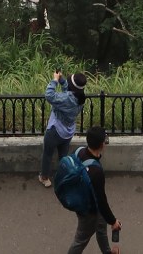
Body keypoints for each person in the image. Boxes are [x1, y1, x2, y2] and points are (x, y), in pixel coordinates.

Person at [65, 125, 122, 254]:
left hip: (81, 200)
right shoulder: (96, 171)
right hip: (89, 211)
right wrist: (113, 221)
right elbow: (101, 201)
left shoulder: (79, 151)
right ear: (102, 145)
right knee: (80, 240)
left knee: (101, 228)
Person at [40, 69, 86, 187]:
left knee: (47, 154)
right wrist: (62, 81)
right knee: (63, 157)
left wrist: (55, 80)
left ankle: (44, 177)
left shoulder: (66, 99)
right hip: (68, 132)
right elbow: (69, 92)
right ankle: (62, 177)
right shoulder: (80, 98)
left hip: (55, 130)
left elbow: (49, 95)